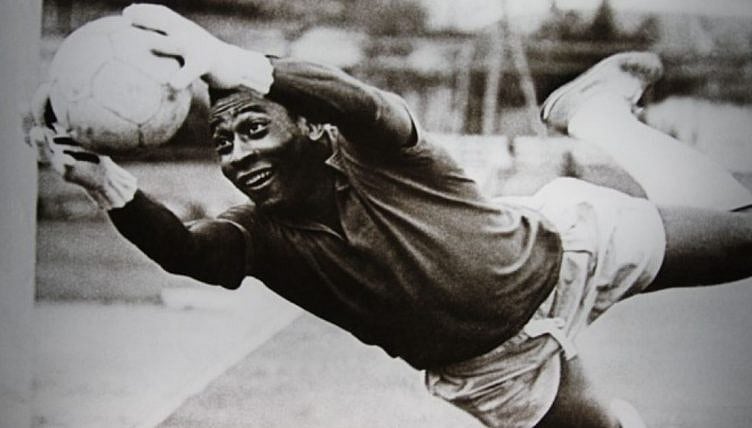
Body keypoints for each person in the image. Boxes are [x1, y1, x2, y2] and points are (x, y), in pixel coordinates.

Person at [30, 5, 752, 427]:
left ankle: (598, 116)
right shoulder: (261, 234)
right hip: (496, 371)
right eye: (224, 142)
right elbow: (189, 252)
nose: (239, 152)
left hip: (567, 250)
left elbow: (364, 104)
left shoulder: (375, 151)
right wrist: (103, 181)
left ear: (310, 128)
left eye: (254, 127)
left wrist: (235, 61)